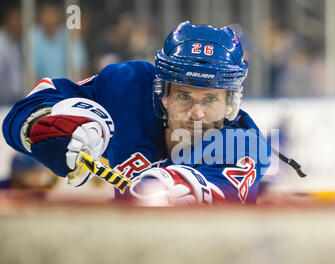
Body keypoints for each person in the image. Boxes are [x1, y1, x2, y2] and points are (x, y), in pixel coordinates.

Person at [2, 21, 273, 205]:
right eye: (183, 95)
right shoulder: (127, 88)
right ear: (162, 94)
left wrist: (163, 188)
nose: (196, 113)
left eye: (210, 98)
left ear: (230, 104)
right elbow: (25, 111)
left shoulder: (243, 146)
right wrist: (50, 127)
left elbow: (201, 196)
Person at [0, 4, 22, 104]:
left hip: (14, 99)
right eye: (17, 19)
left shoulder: (14, 41)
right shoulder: (2, 43)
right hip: (3, 100)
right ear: (7, 19)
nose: (20, 23)